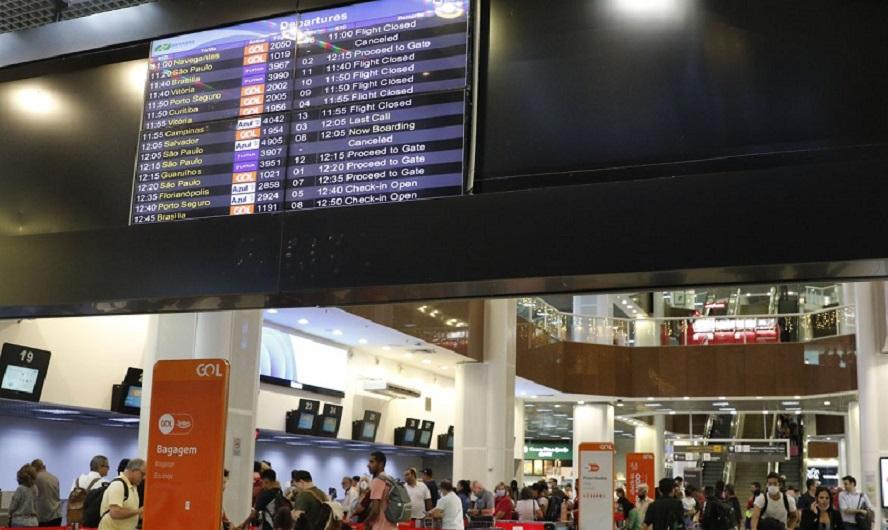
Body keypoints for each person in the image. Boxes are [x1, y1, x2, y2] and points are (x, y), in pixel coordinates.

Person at [97, 458, 145, 530]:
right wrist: (138, 511)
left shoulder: (133, 487)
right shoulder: (118, 485)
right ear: (133, 470)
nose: (144, 477)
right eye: (143, 474)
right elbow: (115, 513)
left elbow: (130, 512)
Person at [366, 451, 397, 530]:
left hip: (381, 527)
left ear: (381, 464)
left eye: (372, 462)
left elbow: (375, 510)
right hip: (392, 526)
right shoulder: (389, 479)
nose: (368, 465)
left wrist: (366, 522)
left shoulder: (378, 480)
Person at [30, 459, 62, 527]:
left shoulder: (35, 479)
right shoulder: (55, 478)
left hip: (44, 518)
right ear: (44, 466)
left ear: (34, 468)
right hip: (57, 516)